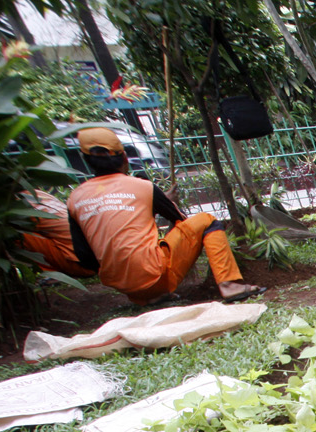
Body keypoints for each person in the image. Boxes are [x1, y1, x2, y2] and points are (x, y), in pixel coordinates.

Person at [65, 127, 264, 306]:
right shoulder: (143, 187)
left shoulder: (75, 198)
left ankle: (152, 297)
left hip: (122, 286)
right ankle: (230, 285)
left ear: (85, 160)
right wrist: (163, 202)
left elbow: (85, 258)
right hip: (156, 276)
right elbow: (183, 222)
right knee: (206, 220)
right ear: (124, 157)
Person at [18, 190, 94, 279]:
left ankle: (51, 274)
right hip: (96, 256)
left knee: (14, 235)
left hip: (83, 265)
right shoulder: (38, 194)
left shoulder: (16, 205)